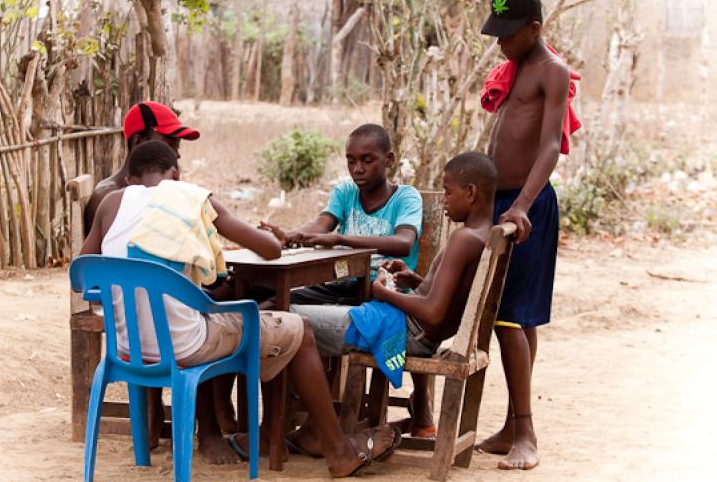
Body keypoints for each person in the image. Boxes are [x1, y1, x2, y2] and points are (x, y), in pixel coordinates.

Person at [80, 140, 398, 477]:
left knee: (213, 311)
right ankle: (338, 451)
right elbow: (270, 250)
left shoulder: (110, 204)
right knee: (298, 328)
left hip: (127, 349)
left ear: (129, 181)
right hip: (186, 347)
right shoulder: (189, 196)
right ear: (177, 172)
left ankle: (266, 434)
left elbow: (81, 275)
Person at [287, 152, 496, 456]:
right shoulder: (481, 235)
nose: (444, 201)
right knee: (302, 316)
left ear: (472, 192)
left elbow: (434, 311)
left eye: (448, 192)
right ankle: (313, 428)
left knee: (288, 320)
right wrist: (413, 280)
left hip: (405, 331)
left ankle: (313, 431)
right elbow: (441, 298)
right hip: (413, 327)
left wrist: (383, 293)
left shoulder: (464, 239)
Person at [260, 123, 436, 439]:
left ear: (389, 159)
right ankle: (284, 416)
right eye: (351, 160)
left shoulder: (406, 197)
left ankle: (321, 421)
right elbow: (322, 223)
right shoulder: (345, 192)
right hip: (342, 284)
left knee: (301, 317)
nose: (358, 168)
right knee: (276, 305)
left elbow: (403, 242)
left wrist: (340, 238)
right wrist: (295, 236)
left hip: (386, 290)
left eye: (367, 160)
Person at [475, 0, 573, 471]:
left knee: (509, 315)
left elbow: (550, 146)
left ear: (534, 28)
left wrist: (522, 207)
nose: (501, 41)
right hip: (502, 201)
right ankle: (512, 424)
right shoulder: (513, 68)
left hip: (528, 206)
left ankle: (527, 433)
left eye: (509, 33)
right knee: (517, 317)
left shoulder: (552, 71)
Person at [82, 101, 201, 450]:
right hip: (126, 309)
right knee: (206, 308)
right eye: (171, 142)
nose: (177, 151)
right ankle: (204, 426)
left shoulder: (163, 190)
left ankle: (206, 420)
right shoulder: (108, 197)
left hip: (154, 302)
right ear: (139, 142)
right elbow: (100, 270)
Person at [83, 100, 200, 234]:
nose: (177, 154)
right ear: (138, 142)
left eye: (177, 146)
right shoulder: (107, 197)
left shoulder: (160, 190)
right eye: (169, 145)